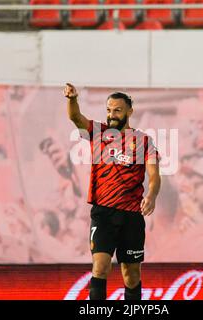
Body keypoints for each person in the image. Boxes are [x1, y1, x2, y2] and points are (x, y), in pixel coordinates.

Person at [64, 83, 161, 300]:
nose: (111, 115)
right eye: (109, 110)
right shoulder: (98, 133)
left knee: (132, 276)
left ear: (129, 112)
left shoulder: (144, 141)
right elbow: (75, 117)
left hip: (131, 215)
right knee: (100, 267)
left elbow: (154, 176)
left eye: (117, 110)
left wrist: (152, 195)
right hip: (103, 213)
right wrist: (72, 99)